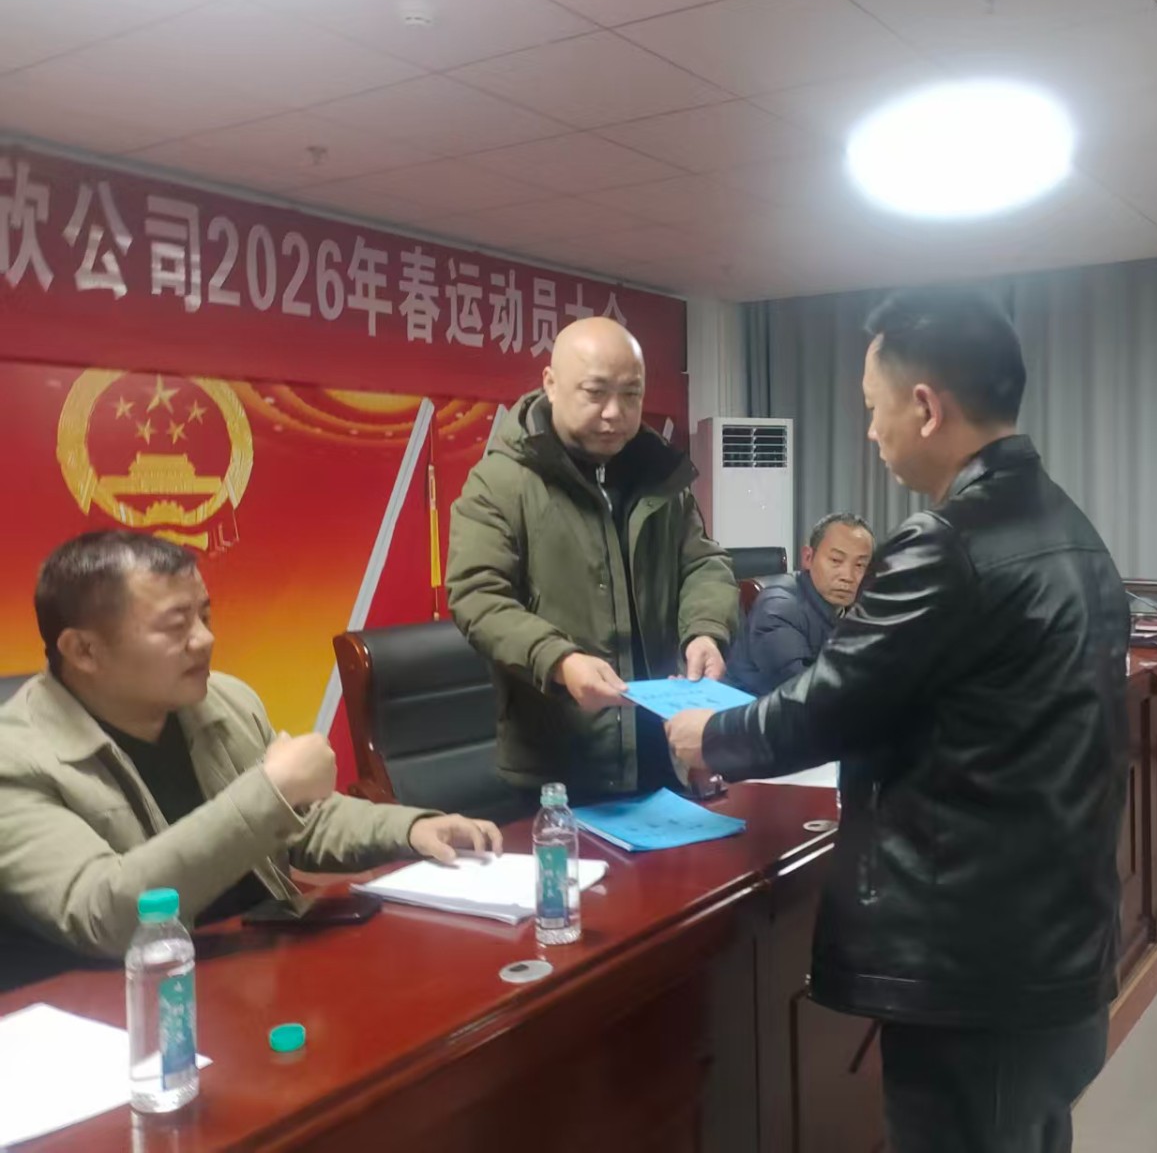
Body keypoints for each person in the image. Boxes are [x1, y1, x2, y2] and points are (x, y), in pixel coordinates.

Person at [666, 288, 1131, 1153]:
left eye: (874, 408)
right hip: (1055, 934)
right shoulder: (1068, 526)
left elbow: (830, 702)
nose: (871, 432)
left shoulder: (948, 541)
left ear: (925, 406)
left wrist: (709, 735)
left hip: (975, 963)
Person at [0, 531, 503, 977]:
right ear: (83, 651)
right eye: (176, 626)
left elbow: (300, 822)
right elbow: (105, 916)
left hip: (260, 968)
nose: (205, 639)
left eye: (205, 615)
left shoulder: (223, 700)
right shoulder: (16, 759)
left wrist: (411, 828)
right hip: (130, 1005)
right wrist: (272, 789)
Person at [447, 316, 739, 803]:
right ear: (551, 383)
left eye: (631, 394)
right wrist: (559, 660)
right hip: (558, 767)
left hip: (661, 752)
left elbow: (703, 563)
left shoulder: (658, 475)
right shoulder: (501, 482)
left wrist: (706, 630)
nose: (614, 413)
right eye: (595, 392)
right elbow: (477, 595)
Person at [724, 512, 874, 696]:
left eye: (860, 565)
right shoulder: (778, 609)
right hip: (749, 707)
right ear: (808, 558)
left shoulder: (862, 606)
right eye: (836, 561)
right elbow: (806, 692)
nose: (848, 576)